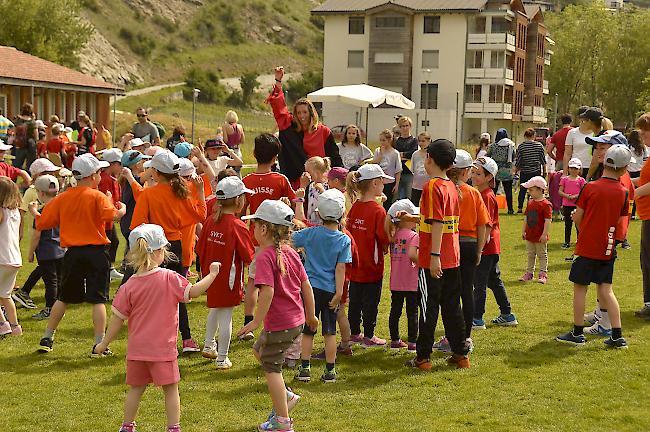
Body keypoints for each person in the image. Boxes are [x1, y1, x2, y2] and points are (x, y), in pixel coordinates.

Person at [93, 224, 221, 432]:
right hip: (163, 350)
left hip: (138, 350)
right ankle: (173, 428)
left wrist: (103, 343)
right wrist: (212, 274)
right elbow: (194, 292)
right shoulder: (169, 278)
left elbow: (117, 319)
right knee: (171, 390)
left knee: (136, 389)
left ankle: (127, 427)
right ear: (160, 251)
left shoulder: (128, 286)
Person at [30, 153, 126, 353]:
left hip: (72, 253)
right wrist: (122, 209)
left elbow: (43, 222)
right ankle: (100, 343)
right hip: (97, 253)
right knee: (98, 299)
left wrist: (35, 213)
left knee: (63, 297)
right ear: (93, 176)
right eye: (99, 172)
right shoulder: (98, 196)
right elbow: (113, 216)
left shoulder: (63, 198)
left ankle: (47, 337)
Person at [237, 199, 318, 432]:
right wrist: (311, 316)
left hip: (280, 324)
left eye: (255, 225)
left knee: (272, 369)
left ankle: (282, 422)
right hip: (295, 321)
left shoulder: (264, 257)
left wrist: (255, 320)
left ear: (264, 229)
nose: (253, 230)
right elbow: (306, 286)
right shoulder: (291, 253)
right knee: (258, 351)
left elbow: (268, 292)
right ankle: (286, 397)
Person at [129, 150, 207, 352]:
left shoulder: (149, 194)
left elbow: (137, 226)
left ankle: (154, 340)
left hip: (155, 248)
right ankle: (187, 339)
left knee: (151, 295)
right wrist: (199, 192)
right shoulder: (183, 192)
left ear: (155, 172)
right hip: (176, 247)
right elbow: (201, 214)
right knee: (178, 293)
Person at [556, 145, 633, 349]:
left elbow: (578, 217)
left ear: (604, 161)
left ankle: (577, 332)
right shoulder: (623, 192)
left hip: (587, 247)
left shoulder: (590, 187)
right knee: (606, 290)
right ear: (624, 169)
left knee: (580, 288)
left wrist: (583, 228)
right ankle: (617, 335)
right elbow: (619, 221)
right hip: (608, 248)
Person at [402, 139, 470, 370]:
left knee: (428, 307)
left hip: (435, 257)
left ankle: (423, 357)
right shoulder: (452, 185)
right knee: (452, 306)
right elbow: (437, 219)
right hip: (453, 256)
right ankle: (461, 354)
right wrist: (414, 219)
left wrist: (433, 256)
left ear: (429, 158)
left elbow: (438, 223)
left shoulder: (432, 186)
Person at [195, 176, 255, 369]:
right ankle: (222, 358)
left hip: (210, 277)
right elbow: (248, 255)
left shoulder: (211, 221)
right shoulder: (237, 225)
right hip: (228, 279)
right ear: (238, 200)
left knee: (215, 309)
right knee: (226, 316)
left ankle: (209, 344)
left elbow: (200, 248)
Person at [241, 133, 296, 340]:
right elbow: (293, 202)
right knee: (276, 283)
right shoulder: (280, 180)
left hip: (255, 239)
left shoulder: (246, 181)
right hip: (277, 242)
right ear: (276, 158)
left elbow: (240, 210)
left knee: (254, 281)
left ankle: (249, 321)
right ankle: (275, 321)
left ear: (254, 154)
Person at [433, 149, 488, 354]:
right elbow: (482, 224)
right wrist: (480, 249)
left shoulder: (444, 189)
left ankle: (452, 337)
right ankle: (465, 337)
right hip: (470, 243)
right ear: (465, 172)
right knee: (467, 291)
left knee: (450, 292)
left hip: (450, 243)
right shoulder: (473, 193)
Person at [293, 189, 351, 383]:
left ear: (318, 213)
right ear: (342, 214)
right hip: (330, 290)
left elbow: (292, 240)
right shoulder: (344, 240)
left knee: (308, 330)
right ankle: (330, 371)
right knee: (329, 332)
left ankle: (305, 368)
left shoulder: (310, 233)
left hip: (309, 289)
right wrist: (339, 293)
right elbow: (340, 268)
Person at [267, 66, 342, 188]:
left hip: (320, 182)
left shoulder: (324, 131)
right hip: (298, 181)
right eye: (298, 113)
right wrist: (278, 81)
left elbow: (334, 157)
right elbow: (279, 109)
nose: (302, 116)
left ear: (311, 113)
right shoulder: (291, 129)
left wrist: (340, 178)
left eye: (305, 112)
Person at [345, 164, 391, 348]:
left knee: (355, 301)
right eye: (382, 182)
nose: (384, 185)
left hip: (354, 264)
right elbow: (384, 236)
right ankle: (369, 336)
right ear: (374, 183)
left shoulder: (356, 206)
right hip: (371, 267)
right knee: (370, 302)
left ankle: (355, 333)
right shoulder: (378, 210)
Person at [471, 157, 518, 329]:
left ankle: (477, 318)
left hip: (487, 247)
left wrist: (479, 248)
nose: (474, 176)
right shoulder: (481, 194)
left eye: (478, 174)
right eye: (473, 172)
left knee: (480, 282)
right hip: (491, 247)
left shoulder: (487, 196)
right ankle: (507, 314)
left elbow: (487, 225)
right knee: (493, 280)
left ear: (489, 177)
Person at [26, 175, 65, 321]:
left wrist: (30, 253)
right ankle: (60, 307)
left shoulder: (42, 213)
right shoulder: (61, 207)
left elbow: (36, 235)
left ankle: (50, 308)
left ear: (41, 193)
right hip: (61, 249)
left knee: (50, 282)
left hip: (46, 251)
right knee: (59, 279)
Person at [384, 199, 419, 352]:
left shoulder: (393, 236)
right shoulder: (414, 236)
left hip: (396, 281)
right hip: (411, 281)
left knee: (395, 311)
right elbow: (413, 256)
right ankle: (412, 343)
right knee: (412, 312)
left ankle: (395, 340)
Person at [0, 176, 23, 336]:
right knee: (5, 295)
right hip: (13, 259)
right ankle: (15, 327)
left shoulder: (1, 212)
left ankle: (3, 324)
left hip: (1, 259)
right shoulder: (14, 212)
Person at [519, 176, 552, 284]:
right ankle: (529, 273)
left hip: (540, 235)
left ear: (540, 189)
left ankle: (543, 274)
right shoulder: (530, 202)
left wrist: (544, 234)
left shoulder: (546, 204)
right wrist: (523, 230)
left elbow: (548, 221)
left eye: (531, 190)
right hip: (530, 234)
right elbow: (526, 218)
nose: (529, 192)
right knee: (530, 254)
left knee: (542, 255)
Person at [98, 148, 124, 281]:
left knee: (114, 242)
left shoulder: (112, 178)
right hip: (105, 219)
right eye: (119, 164)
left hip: (110, 218)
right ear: (112, 164)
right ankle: (106, 269)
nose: (121, 167)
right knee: (108, 244)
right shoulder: (104, 179)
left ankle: (109, 268)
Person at [514, 128, 547, 213]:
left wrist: (516, 171)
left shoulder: (521, 146)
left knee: (523, 189)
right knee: (535, 189)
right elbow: (543, 160)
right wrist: (544, 171)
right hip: (536, 171)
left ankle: (520, 207)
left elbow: (518, 161)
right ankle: (533, 205)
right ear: (534, 136)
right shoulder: (539, 146)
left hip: (525, 171)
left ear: (525, 136)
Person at [559, 158, 586, 249]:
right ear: (568, 168)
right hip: (567, 205)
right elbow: (560, 191)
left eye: (576, 168)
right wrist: (566, 196)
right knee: (568, 224)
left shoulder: (581, 180)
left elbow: (584, 192)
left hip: (577, 205)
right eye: (572, 168)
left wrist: (575, 196)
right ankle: (567, 242)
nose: (573, 170)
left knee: (578, 224)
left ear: (579, 169)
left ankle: (580, 240)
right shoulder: (564, 179)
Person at [486, 128, 515, 214]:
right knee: (508, 191)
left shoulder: (493, 146)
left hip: (496, 170)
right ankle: (510, 209)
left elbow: (488, 155)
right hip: (507, 170)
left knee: (493, 191)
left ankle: (490, 208)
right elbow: (513, 156)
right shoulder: (511, 145)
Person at [372, 129, 402, 211]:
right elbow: (373, 165)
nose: (382, 142)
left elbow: (398, 170)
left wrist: (397, 184)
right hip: (379, 181)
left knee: (387, 203)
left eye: (384, 140)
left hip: (390, 182)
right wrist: (379, 158)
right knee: (377, 202)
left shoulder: (395, 153)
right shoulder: (378, 151)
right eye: (380, 140)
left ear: (390, 140)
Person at [563, 106, 597, 177]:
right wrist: (564, 172)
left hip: (591, 168)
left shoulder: (596, 133)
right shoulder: (572, 132)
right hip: (574, 168)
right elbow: (567, 154)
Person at [393, 116, 418, 200]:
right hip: (397, 173)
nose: (404, 128)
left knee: (409, 197)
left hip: (409, 172)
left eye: (406, 125)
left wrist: (401, 155)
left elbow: (412, 154)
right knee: (396, 197)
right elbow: (394, 155)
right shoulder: (396, 141)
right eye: (402, 126)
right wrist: (404, 155)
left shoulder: (414, 140)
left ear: (410, 126)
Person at [300, 156, 330, 225]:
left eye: (308, 172)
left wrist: (322, 190)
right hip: (311, 219)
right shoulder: (311, 185)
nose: (306, 174)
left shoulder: (327, 185)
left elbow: (329, 200)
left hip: (322, 222)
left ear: (317, 172)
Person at [627, 130, 648, 220]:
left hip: (630, 171)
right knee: (638, 194)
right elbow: (645, 160)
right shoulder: (643, 148)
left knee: (630, 193)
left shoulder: (628, 147)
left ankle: (628, 211)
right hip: (640, 171)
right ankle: (633, 213)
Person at [12, 103, 38, 171]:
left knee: (17, 164)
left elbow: (14, 132)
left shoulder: (18, 120)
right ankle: (28, 179)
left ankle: (13, 179)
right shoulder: (32, 122)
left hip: (20, 144)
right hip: (30, 144)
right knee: (30, 165)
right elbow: (36, 134)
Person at [410, 131, 431, 206]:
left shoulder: (431, 154)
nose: (421, 143)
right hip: (416, 185)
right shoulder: (415, 154)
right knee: (414, 205)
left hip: (428, 185)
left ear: (429, 141)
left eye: (423, 141)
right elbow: (412, 169)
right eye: (419, 141)